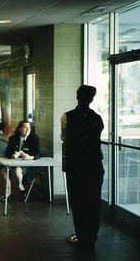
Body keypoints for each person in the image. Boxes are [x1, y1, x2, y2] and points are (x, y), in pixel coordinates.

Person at [61, 85, 104, 253]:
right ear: (92, 99)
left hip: (75, 165)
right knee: (93, 201)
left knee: (78, 201)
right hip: (93, 165)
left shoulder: (67, 116)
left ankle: (81, 235)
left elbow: (64, 138)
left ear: (77, 97)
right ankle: (91, 237)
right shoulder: (97, 118)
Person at [0, 120, 41, 201]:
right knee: (4, 171)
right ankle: (8, 193)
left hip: (28, 165)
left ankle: (20, 187)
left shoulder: (34, 138)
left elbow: (39, 153)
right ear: (20, 129)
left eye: (29, 128)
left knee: (17, 170)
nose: (28, 130)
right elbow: (7, 153)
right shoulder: (13, 138)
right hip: (14, 163)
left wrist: (30, 157)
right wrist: (13, 155)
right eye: (25, 128)